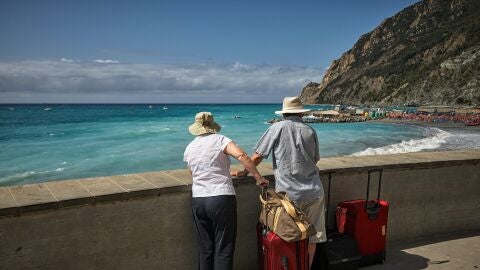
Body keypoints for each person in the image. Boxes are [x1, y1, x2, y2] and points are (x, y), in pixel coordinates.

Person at [233, 97, 327, 269]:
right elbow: (315, 159)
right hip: (314, 191)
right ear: (300, 113)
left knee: (288, 237)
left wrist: (244, 172)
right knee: (313, 237)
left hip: (289, 196)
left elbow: (258, 156)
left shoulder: (276, 128)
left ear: (284, 113)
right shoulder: (310, 130)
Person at [184, 112, 269, 270]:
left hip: (199, 200)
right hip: (221, 199)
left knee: (205, 249)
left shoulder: (190, 147)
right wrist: (258, 178)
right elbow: (242, 156)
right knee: (224, 250)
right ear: (212, 125)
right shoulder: (221, 140)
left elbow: (193, 173)